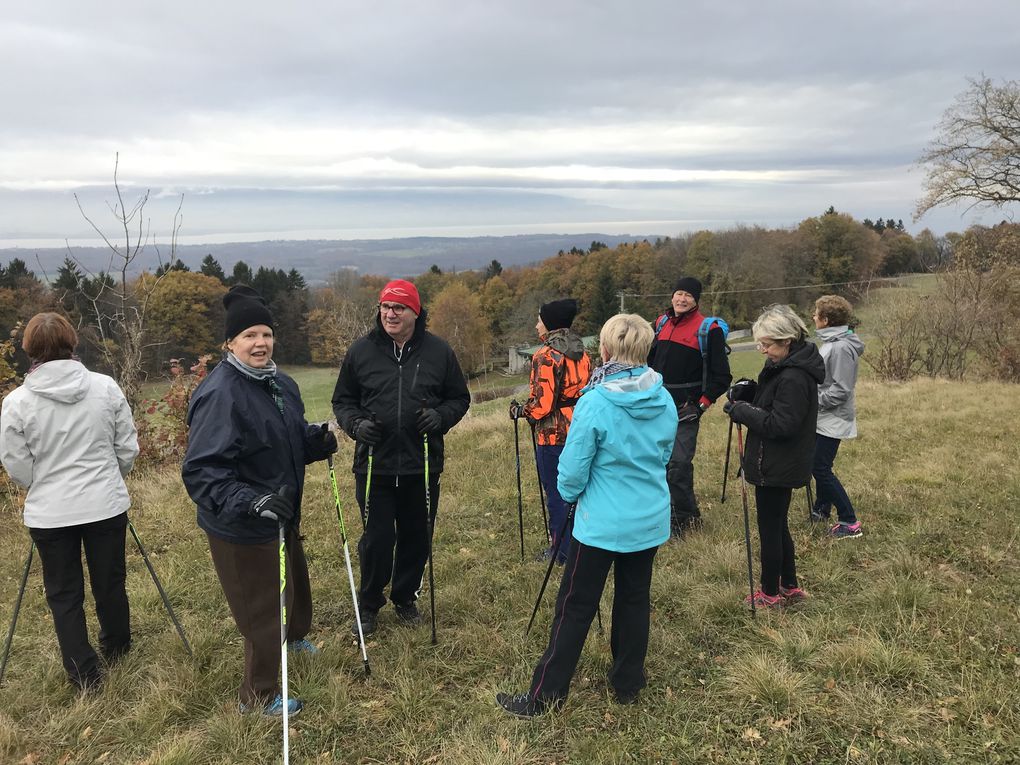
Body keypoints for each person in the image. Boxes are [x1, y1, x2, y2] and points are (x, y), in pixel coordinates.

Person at [497, 313, 677, 717]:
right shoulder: (662, 396)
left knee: (575, 606)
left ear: (607, 350)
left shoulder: (595, 402)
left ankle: (545, 696)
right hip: (648, 518)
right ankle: (628, 682)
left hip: (600, 523)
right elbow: (664, 455)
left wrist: (570, 495)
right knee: (634, 599)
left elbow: (574, 469)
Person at [182, 285, 337, 717]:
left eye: (266, 334)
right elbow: (202, 471)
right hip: (241, 522)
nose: (260, 343)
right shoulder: (220, 394)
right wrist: (250, 502)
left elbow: (283, 440)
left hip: (280, 510)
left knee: (294, 583)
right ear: (230, 343)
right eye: (249, 335)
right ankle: (260, 695)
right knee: (261, 607)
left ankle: (294, 639)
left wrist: (313, 442)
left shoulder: (279, 382)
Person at [0, 312, 139, 691]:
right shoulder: (105, 387)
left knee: (64, 592)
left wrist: (40, 486)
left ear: (29, 349)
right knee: (110, 580)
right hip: (105, 504)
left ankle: (84, 674)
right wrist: (110, 479)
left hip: (50, 512)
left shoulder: (17, 402)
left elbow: (15, 463)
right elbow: (126, 447)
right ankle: (117, 646)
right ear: (71, 342)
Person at [331, 279, 470, 637]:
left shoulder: (439, 351)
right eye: (385, 307)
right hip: (375, 464)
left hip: (421, 463)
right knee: (376, 539)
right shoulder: (361, 351)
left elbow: (459, 398)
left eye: (399, 308)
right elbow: (343, 401)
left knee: (417, 535)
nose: (390, 314)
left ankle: (405, 597)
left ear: (415, 312)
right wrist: (356, 425)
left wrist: (440, 418)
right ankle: (368, 604)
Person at [724, 304, 824, 608]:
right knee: (778, 524)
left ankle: (769, 592)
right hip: (777, 461)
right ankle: (789, 585)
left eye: (766, 344)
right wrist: (750, 393)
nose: (761, 349)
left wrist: (742, 411)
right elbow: (773, 403)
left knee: (770, 528)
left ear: (787, 340)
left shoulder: (793, 376)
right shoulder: (783, 366)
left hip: (777, 463)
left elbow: (781, 424)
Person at [508, 298, 592, 564]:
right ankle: (583, 544)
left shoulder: (545, 355)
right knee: (581, 489)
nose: (536, 325)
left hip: (553, 433)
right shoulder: (582, 351)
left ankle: (561, 551)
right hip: (580, 427)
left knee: (557, 492)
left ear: (551, 324)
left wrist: (522, 411)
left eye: (539, 320)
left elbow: (542, 405)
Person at [648, 276, 732, 536]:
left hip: (686, 410)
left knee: (678, 465)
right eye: (679, 293)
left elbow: (722, 376)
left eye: (689, 296)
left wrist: (701, 405)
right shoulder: (660, 324)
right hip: (654, 407)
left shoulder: (709, 330)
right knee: (655, 464)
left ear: (696, 300)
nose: (682, 299)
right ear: (672, 295)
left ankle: (687, 519)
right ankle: (664, 515)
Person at [810, 295, 865, 539]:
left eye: (816, 313)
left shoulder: (841, 347)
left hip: (833, 417)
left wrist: (813, 402)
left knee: (819, 467)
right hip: (824, 417)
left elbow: (841, 389)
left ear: (826, 319)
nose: (813, 317)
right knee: (819, 465)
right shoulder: (833, 341)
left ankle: (849, 521)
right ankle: (821, 510)